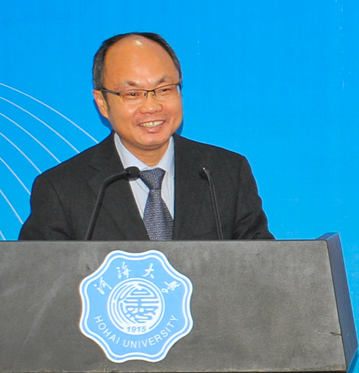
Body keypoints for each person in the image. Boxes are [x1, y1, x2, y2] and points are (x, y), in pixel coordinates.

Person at [18, 32, 274, 241]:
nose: (151, 106)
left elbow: (262, 268)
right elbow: (38, 282)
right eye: (133, 94)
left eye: (164, 89)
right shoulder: (61, 189)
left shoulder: (225, 173)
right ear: (103, 103)